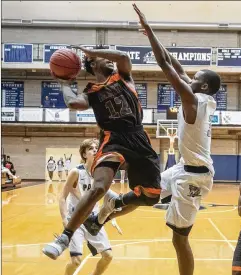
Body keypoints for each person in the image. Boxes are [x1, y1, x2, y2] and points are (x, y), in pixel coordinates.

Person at [132, 5, 220, 275]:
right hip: (184, 168)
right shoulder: (201, 97)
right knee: (148, 189)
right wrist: (150, 31)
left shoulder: (193, 99)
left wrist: (151, 35)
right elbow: (173, 62)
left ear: (203, 85)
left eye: (195, 77)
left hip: (194, 177)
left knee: (179, 240)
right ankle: (101, 216)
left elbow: (164, 66)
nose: (189, 78)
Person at [43, 43, 161, 260]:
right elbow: (73, 103)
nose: (109, 58)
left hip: (138, 137)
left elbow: (124, 55)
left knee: (151, 196)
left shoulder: (123, 76)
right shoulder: (91, 92)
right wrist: (64, 82)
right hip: (112, 139)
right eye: (101, 56)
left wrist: (93, 52)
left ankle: (110, 209)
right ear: (91, 64)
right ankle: (65, 237)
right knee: (99, 188)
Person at [57, 139, 113, 275]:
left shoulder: (101, 173)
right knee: (75, 261)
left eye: (97, 148)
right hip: (77, 220)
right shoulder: (76, 172)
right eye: (91, 148)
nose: (95, 150)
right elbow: (62, 197)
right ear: (84, 154)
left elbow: (109, 195)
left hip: (93, 220)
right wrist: (65, 219)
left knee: (108, 256)